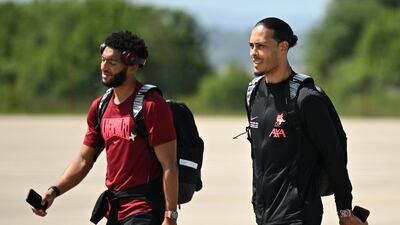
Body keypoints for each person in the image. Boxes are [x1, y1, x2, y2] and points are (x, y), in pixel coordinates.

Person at [32, 31, 179, 225]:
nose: (104, 67)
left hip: (145, 209)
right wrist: (53, 191)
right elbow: (85, 160)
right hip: (115, 210)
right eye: (103, 60)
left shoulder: (152, 105)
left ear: (133, 66)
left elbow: (169, 165)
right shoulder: (100, 106)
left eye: (112, 63)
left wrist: (170, 216)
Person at [246, 17, 368, 225]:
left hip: (298, 215)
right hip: (264, 215)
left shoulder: (306, 98)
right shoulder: (253, 93)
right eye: (251, 46)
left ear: (283, 47)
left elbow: (335, 156)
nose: (253, 53)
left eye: (261, 46)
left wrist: (345, 212)